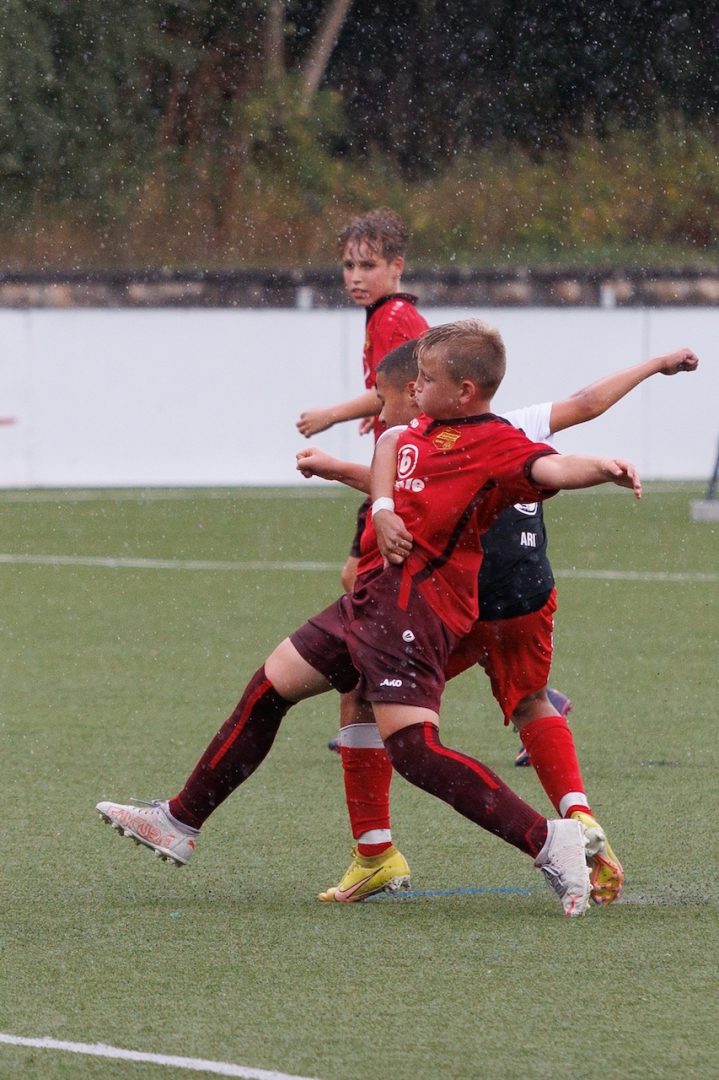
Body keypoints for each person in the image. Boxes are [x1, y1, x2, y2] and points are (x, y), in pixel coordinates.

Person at [96, 319, 645, 918]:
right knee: (270, 686)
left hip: (416, 611)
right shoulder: (422, 427)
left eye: (426, 380)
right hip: (370, 602)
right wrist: (382, 507)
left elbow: (550, 469)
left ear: (464, 391)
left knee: (415, 752)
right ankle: (180, 821)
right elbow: (390, 448)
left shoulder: (497, 441)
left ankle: (548, 840)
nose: (414, 389)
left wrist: (603, 468)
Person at [298, 339, 698, 905]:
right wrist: (656, 366)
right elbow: (586, 404)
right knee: (532, 700)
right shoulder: (517, 423)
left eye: (401, 393)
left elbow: (419, 486)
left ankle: (374, 850)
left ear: (449, 389)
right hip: (527, 594)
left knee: (366, 692)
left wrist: (337, 470)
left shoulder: (437, 439)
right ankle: (578, 812)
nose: (392, 407)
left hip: (460, 602)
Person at [296, 208, 429, 591]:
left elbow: (399, 390)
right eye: (349, 265)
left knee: (364, 583)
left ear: (396, 266)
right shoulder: (385, 314)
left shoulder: (394, 317)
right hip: (397, 470)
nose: (355, 276)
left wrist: (330, 415)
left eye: (368, 265)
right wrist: (382, 411)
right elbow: (402, 389)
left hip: (403, 471)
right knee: (364, 581)